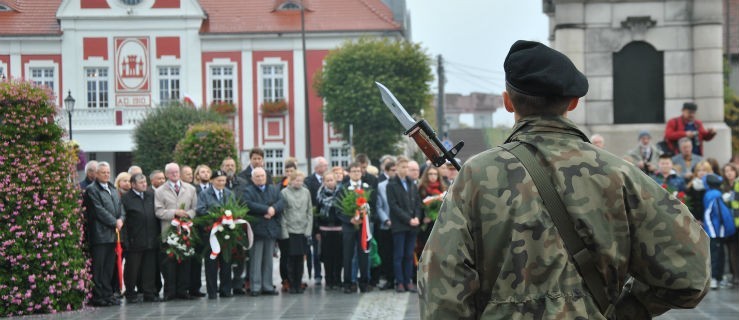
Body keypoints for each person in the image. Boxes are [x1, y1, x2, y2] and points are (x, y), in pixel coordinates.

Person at [418, 40, 710, 319]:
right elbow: (691, 272)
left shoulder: (476, 175)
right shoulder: (618, 174)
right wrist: (622, 311)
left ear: (507, 102)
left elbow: (442, 282)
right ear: (573, 102)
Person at [154, 162, 198, 301]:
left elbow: (196, 208)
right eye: (171, 172)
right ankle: (169, 292)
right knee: (169, 264)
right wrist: (175, 213)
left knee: (185, 262)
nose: (175, 174)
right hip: (169, 231)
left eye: (176, 171)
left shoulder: (190, 188)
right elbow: (158, 211)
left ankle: (183, 290)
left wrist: (188, 214)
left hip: (186, 231)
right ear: (166, 174)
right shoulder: (160, 191)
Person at [85, 161, 125, 307]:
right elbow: (98, 210)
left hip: (113, 235)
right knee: (99, 267)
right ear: (96, 174)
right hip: (100, 235)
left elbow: (121, 207)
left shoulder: (113, 189)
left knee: (109, 267)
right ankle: (98, 296)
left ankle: (108, 294)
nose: (106, 175)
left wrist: (121, 219)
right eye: (103, 172)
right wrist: (115, 221)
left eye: (108, 172)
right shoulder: (91, 190)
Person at [239, 167, 283, 296]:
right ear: (252, 178)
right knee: (255, 260)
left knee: (268, 260)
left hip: (270, 229)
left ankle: (268, 286)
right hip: (256, 230)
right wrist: (266, 209)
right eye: (257, 176)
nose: (260, 178)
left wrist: (273, 209)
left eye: (262, 176)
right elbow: (248, 204)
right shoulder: (248, 190)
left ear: (266, 177)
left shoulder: (273, 189)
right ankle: (255, 287)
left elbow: (281, 202)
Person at [336, 162, 376, 294]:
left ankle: (364, 282)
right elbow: (338, 210)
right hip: (349, 226)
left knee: (364, 254)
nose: (356, 173)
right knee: (348, 255)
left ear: (362, 173)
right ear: (349, 173)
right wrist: (350, 219)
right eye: (353, 171)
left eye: (358, 171)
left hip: (364, 226)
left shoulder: (367, 188)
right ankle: (348, 282)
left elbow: (373, 206)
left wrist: (366, 216)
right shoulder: (343, 188)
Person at [120, 173, 161, 303]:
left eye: (145, 182)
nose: (144, 184)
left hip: (151, 238)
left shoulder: (151, 195)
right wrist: (125, 240)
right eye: (141, 182)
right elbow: (124, 220)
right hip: (134, 240)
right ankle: (131, 293)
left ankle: (149, 293)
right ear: (133, 185)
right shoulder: (126, 198)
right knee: (132, 269)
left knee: (149, 268)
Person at [196, 170, 235, 299]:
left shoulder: (229, 193)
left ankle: (226, 290)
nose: (221, 183)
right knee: (211, 263)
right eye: (218, 180)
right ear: (212, 180)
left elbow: (234, 210)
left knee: (226, 262)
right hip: (210, 233)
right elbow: (200, 210)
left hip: (225, 234)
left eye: (223, 180)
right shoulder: (204, 194)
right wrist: (217, 216)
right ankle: (212, 291)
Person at [386, 157, 423, 293]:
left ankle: (408, 281)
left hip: (412, 225)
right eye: (402, 167)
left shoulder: (412, 183)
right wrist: (408, 219)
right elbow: (394, 206)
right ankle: (400, 282)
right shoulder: (391, 184)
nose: (405, 170)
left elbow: (418, 203)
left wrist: (417, 217)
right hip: (400, 225)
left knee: (409, 255)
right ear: (397, 168)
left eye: (407, 167)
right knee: (399, 255)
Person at [280, 170, 313, 294]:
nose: (298, 182)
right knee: (290, 259)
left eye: (301, 180)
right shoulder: (284, 193)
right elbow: (282, 214)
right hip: (290, 230)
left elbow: (309, 211)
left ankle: (299, 283)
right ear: (291, 180)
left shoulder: (306, 192)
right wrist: (284, 232)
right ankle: (291, 283)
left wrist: (308, 229)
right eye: (296, 180)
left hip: (302, 230)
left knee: (300, 259)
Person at [703, 174, 737, 289]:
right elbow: (720, 213)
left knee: (718, 254)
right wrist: (728, 228)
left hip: (714, 229)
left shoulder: (709, 193)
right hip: (716, 230)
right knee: (717, 255)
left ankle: (718, 278)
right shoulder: (716, 194)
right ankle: (715, 278)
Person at [303, 156, 329, 286]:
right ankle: (317, 274)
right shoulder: (309, 181)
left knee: (327, 250)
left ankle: (329, 274)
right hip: (313, 221)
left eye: (326, 165)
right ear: (317, 167)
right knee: (315, 251)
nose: (326, 167)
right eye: (324, 165)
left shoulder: (329, 180)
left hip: (327, 222)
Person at [316, 171, 343, 291]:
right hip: (325, 230)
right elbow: (316, 213)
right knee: (327, 257)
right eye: (327, 180)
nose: (330, 182)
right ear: (324, 182)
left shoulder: (341, 194)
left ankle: (337, 279)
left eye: (331, 180)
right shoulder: (319, 195)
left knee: (338, 256)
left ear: (335, 181)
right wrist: (316, 230)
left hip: (338, 229)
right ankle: (329, 280)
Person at [375, 160, 396, 290]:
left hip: (400, 224)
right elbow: (379, 206)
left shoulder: (400, 183)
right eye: (393, 170)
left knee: (397, 253)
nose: (395, 172)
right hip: (386, 224)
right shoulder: (381, 186)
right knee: (386, 254)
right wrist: (386, 219)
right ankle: (389, 278)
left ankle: (398, 278)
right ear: (387, 171)